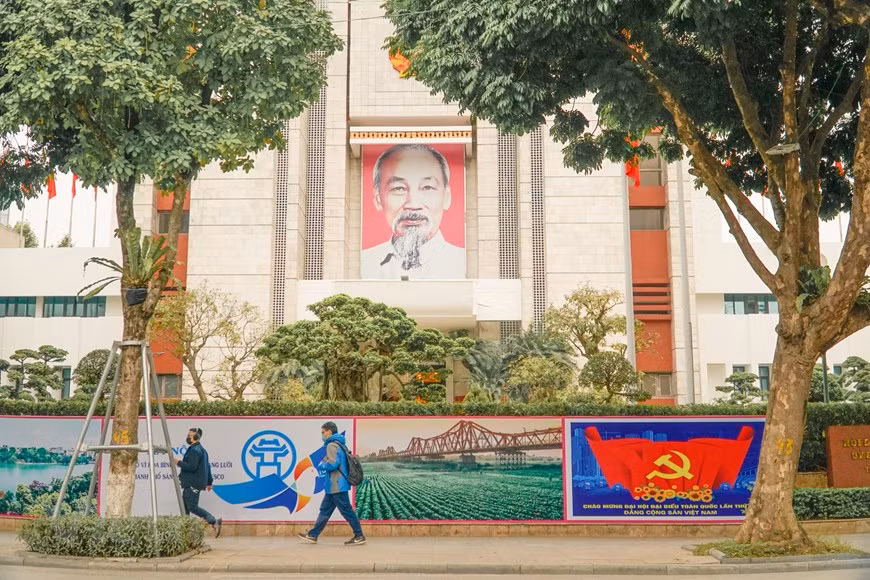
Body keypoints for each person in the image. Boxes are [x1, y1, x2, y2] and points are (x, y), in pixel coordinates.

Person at [360, 144, 465, 279]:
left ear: (447, 197)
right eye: (398, 189)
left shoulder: (461, 263)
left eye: (427, 187)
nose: (413, 204)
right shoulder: (364, 265)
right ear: (378, 199)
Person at [297, 421, 365, 545]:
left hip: (336, 485)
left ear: (329, 431)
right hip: (334, 485)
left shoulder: (331, 445)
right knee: (325, 510)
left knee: (347, 511)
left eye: (323, 432)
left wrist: (323, 464)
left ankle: (359, 535)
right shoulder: (340, 443)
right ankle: (313, 535)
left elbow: (333, 464)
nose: (322, 435)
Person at [176, 427, 222, 537]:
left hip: (192, 483)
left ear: (196, 438)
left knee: (192, 507)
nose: (187, 438)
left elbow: (192, 467)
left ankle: (213, 521)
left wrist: (178, 462)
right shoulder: (201, 450)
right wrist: (209, 482)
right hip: (191, 483)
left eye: (189, 436)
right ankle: (185, 532)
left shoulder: (195, 451)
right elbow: (208, 467)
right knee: (185, 507)